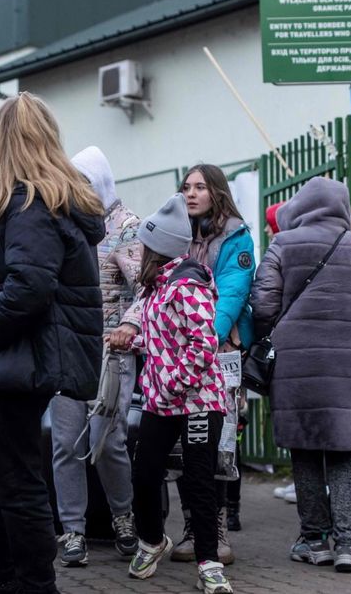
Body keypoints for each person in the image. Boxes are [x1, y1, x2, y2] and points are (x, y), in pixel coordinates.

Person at [0, 92, 105, 594]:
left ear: (3, 143)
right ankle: (1, 577)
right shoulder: (53, 202)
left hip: (20, 363)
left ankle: (32, 584)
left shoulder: (28, 205)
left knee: (16, 484)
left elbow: (29, 287)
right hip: (30, 361)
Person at [250, 176, 351, 573]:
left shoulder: (283, 243)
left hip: (297, 365)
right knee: (346, 456)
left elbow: (262, 303)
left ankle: (314, 541)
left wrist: (283, 332)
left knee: (306, 452)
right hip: (350, 367)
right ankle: (348, 547)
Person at [126, 193, 232, 594]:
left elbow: (203, 345)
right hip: (161, 401)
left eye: (144, 245)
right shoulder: (157, 286)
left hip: (197, 401)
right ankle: (152, 541)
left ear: (160, 248)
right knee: (145, 474)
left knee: (199, 480)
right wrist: (129, 343)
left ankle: (209, 563)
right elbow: (163, 339)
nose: (139, 251)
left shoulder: (187, 284)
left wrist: (174, 384)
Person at [49, 146, 140, 567]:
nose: (76, 190)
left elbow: (148, 286)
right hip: (66, 350)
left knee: (109, 440)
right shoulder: (60, 226)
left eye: (83, 182)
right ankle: (72, 531)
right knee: (66, 443)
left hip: (111, 352)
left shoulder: (126, 227)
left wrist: (130, 326)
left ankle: (123, 518)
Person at [169, 164, 255, 565]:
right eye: (186, 187)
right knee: (184, 446)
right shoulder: (177, 235)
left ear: (216, 192)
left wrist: (201, 340)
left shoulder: (237, 237)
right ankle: (191, 527)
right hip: (178, 354)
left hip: (218, 354)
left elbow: (232, 295)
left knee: (217, 446)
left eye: (200, 187)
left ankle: (216, 530)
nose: (190, 194)